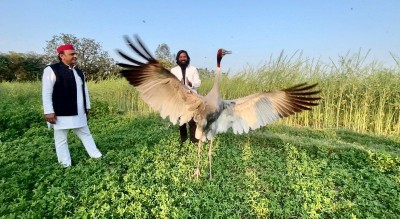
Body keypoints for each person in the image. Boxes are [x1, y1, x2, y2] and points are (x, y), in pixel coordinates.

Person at [42, 44, 102, 167]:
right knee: (61, 139)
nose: (75, 56)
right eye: (71, 54)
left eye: (75, 53)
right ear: (62, 56)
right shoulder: (51, 69)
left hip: (79, 110)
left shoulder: (79, 71)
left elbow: (84, 90)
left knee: (86, 134)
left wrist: (87, 106)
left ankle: (97, 156)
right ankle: (65, 164)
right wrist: (48, 111)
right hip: (61, 111)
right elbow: (46, 92)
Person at [170, 50, 201, 144]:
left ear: (187, 58)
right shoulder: (173, 70)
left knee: (192, 120)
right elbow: (171, 84)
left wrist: (191, 83)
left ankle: (193, 140)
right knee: (181, 120)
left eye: (184, 57)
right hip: (179, 97)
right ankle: (183, 140)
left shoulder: (193, 69)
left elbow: (198, 82)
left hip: (191, 97)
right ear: (178, 59)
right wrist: (178, 83)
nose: (183, 58)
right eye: (181, 57)